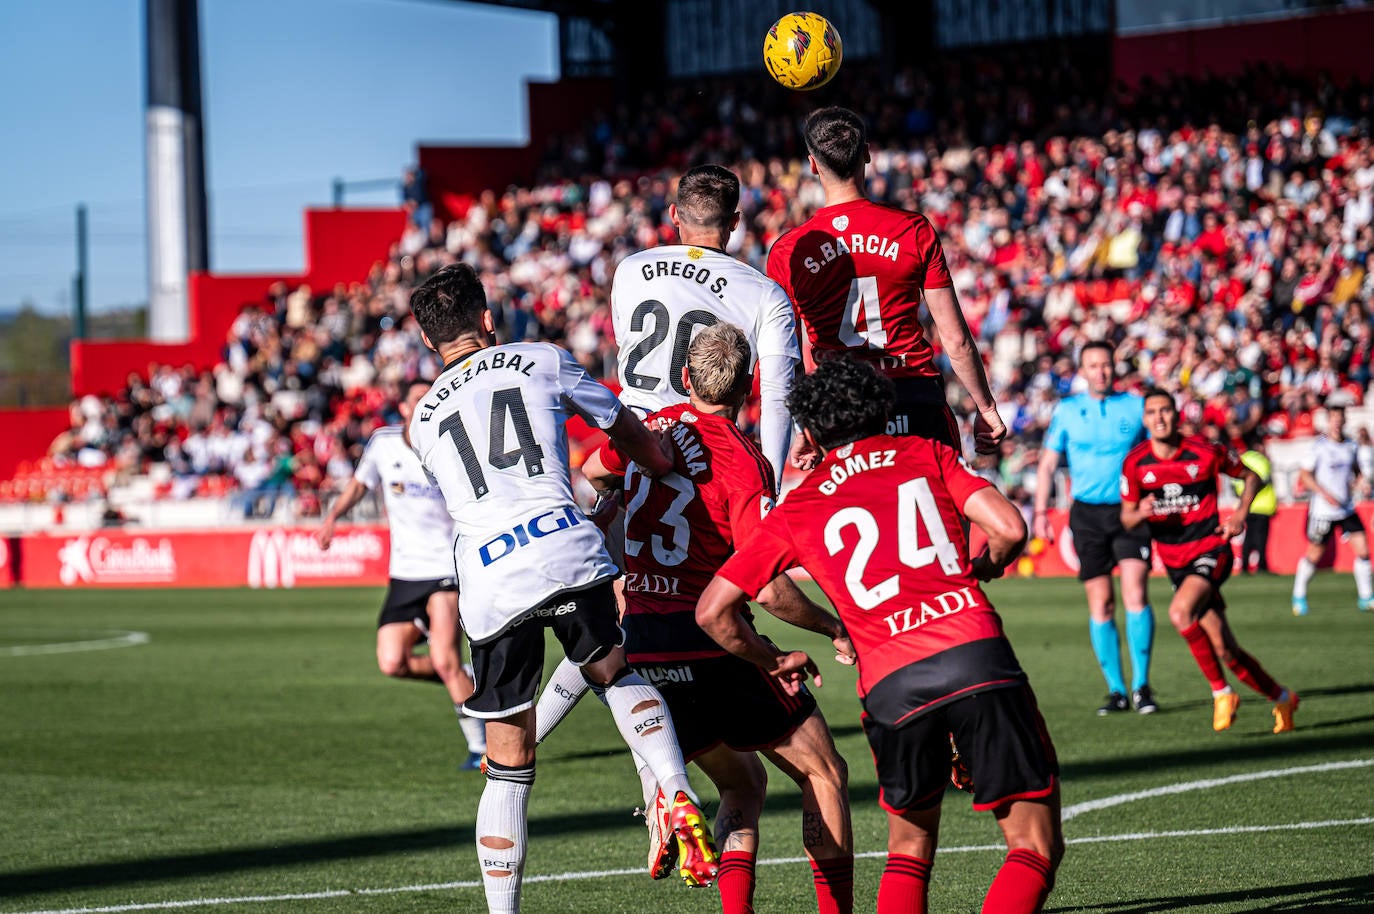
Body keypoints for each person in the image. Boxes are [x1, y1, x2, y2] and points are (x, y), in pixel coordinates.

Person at [697, 357, 1063, 914]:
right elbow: (1010, 527)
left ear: (813, 431)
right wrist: (989, 562)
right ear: (883, 410)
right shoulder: (927, 453)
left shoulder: (799, 505)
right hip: (973, 652)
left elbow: (713, 611)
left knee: (909, 852)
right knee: (1033, 848)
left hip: (891, 681)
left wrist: (771, 659)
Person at [406, 263, 718, 912]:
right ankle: (675, 787)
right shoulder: (540, 358)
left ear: (430, 342)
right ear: (488, 320)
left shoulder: (422, 418)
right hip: (562, 543)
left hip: (491, 578)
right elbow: (620, 425)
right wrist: (657, 463)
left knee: (509, 762)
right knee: (613, 668)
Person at [581, 323, 855, 914]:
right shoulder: (742, 460)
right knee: (824, 771)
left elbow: (594, 471)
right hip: (710, 642)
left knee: (742, 783)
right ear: (751, 385)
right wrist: (833, 628)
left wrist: (626, 494)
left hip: (646, 648)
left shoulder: (648, 428)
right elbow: (770, 588)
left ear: (684, 378)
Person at [766, 106, 1006, 460]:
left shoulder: (788, 251)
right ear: (866, 153)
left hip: (839, 411)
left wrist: (804, 426)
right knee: (937, 511)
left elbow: (785, 358)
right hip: (914, 397)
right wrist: (985, 408)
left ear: (813, 164)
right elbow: (955, 339)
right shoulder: (913, 230)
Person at [316, 379, 487, 770]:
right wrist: (332, 518)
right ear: (406, 407)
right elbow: (360, 485)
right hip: (405, 573)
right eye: (416, 397)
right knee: (392, 662)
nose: (424, 402)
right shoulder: (383, 442)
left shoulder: (453, 442)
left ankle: (480, 748)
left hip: (447, 568)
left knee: (442, 657)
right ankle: (463, 676)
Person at [1120, 389, 1299, 734]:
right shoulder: (1136, 463)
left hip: (1211, 550)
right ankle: (1283, 697)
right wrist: (1139, 514)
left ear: (1177, 415)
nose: (1159, 418)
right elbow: (1125, 518)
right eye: (1152, 412)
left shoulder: (1205, 452)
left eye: (1166, 411)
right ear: (1145, 420)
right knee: (1225, 648)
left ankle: (1222, 692)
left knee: (1179, 612)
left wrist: (1240, 514)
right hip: (1174, 562)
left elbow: (1251, 476)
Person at [612, 163, 800, 485]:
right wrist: (770, 484)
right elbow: (777, 397)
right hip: (704, 459)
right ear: (736, 222)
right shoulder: (766, 293)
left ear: (674, 214)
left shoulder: (630, 268)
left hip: (629, 448)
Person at [1032, 341, 1158, 716]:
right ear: (1082, 371)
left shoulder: (1136, 406)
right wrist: (1040, 511)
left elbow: (1156, 455)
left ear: (1114, 367)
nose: (1100, 371)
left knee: (1135, 593)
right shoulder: (1068, 411)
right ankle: (1116, 691)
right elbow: (1047, 463)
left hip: (1130, 511)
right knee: (1101, 602)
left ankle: (1142, 687)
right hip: (1086, 514)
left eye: (1106, 364)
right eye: (1093, 365)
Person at [1291, 392, 1372, 615]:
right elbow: (1305, 476)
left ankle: (1366, 598)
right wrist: (1323, 493)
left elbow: (1356, 472)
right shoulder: (1318, 446)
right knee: (1314, 555)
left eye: (1340, 419)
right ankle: (1299, 596)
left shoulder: (1351, 446)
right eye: (1333, 420)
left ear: (1345, 420)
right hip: (1323, 511)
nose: (1337, 424)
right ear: (1328, 421)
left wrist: (1361, 482)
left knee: (1363, 549)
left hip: (1345, 507)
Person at [1234, 434, 1276, 575]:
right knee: (1260, 539)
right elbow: (1261, 481)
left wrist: (1244, 496)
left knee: (1248, 537)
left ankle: (1245, 567)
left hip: (1246, 506)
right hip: (1262, 506)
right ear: (1258, 446)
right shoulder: (1262, 460)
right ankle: (1262, 566)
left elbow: (1235, 483)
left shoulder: (1242, 459)